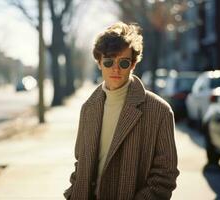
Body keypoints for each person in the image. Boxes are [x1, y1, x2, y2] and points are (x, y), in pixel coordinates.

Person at [64, 22, 179, 200]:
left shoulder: (159, 111)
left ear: (133, 65)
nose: (115, 69)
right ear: (99, 63)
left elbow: (166, 175)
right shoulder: (88, 108)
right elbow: (81, 163)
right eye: (109, 62)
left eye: (123, 63)